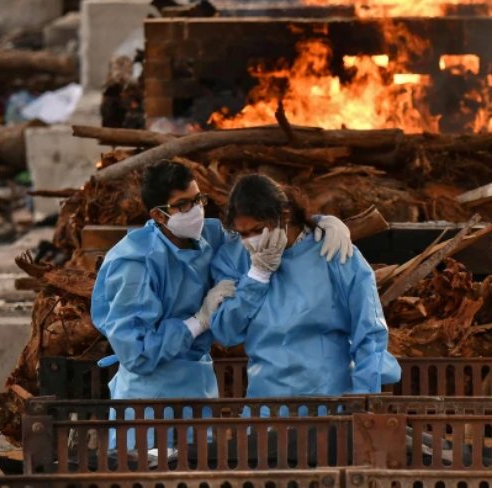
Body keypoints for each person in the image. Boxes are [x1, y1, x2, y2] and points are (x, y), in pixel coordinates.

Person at [91, 161, 355, 404]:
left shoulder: (211, 234)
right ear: (159, 216)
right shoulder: (134, 264)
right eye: (183, 205)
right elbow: (137, 353)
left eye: (197, 199)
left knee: (198, 456)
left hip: (199, 385)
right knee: (151, 456)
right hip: (147, 398)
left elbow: (260, 226)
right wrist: (197, 322)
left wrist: (320, 223)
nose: (195, 211)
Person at [210, 174, 401, 399]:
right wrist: (256, 277)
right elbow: (225, 332)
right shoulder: (234, 258)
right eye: (243, 233)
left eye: (258, 229)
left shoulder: (332, 251)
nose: (250, 240)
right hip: (267, 405)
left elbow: (369, 332)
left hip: (331, 400)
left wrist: (365, 398)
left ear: (285, 216)